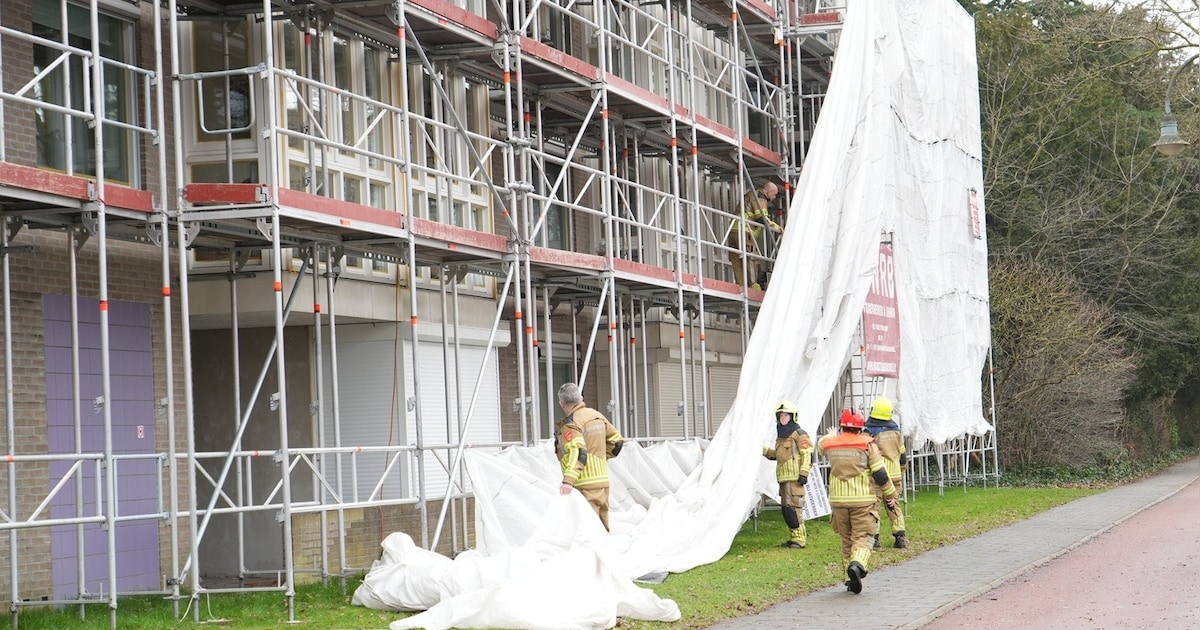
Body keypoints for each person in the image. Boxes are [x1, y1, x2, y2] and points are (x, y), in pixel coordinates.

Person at [817, 407, 899, 594]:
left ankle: (849, 580)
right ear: (860, 427)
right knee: (863, 538)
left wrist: (831, 436)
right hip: (863, 501)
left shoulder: (832, 444)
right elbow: (879, 473)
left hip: (838, 502)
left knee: (846, 540)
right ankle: (857, 565)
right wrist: (891, 494)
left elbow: (820, 445)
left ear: (842, 425)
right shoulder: (867, 444)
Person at [554, 382, 625, 531]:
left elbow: (578, 451)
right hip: (603, 482)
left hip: (584, 485)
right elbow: (617, 442)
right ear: (580, 398)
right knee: (602, 531)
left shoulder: (571, 424)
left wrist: (568, 481)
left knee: (587, 533)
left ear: (562, 404)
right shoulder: (597, 415)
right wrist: (599, 458)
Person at [762, 400, 813, 548]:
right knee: (786, 510)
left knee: (794, 509)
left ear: (792, 417)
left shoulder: (799, 434)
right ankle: (794, 537)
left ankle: (800, 539)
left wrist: (804, 473)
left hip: (794, 479)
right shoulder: (781, 437)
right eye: (781, 415)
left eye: (786, 415)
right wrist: (762, 450)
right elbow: (777, 455)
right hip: (783, 479)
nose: (783, 418)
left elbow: (807, 453)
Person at [865, 395, 907, 549]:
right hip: (894, 475)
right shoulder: (897, 432)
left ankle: (874, 538)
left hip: (877, 476)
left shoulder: (869, 432)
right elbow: (903, 455)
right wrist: (901, 472)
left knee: (874, 507)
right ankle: (900, 536)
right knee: (893, 505)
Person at [727, 181, 783, 290]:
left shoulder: (750, 195)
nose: (774, 197)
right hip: (745, 231)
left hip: (733, 230)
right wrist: (777, 228)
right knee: (752, 258)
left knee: (737, 260)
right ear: (768, 191)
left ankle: (741, 285)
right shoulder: (760, 197)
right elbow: (761, 217)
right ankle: (753, 285)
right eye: (774, 194)